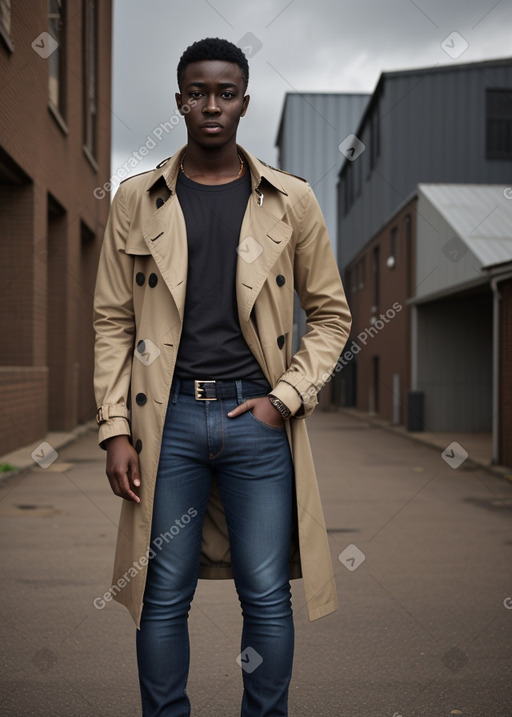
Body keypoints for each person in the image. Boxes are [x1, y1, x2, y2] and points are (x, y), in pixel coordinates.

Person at [93, 37, 351, 717]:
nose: (212, 104)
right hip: (165, 421)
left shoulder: (291, 200)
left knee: (265, 590)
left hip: (256, 422)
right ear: (179, 100)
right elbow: (112, 323)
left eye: (225, 91)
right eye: (198, 92)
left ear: (243, 100)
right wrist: (116, 428)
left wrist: (285, 398)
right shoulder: (136, 199)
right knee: (162, 589)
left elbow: (331, 315)